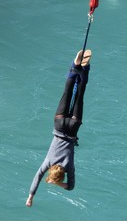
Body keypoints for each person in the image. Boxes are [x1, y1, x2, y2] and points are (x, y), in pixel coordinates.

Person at [26, 49, 92, 207]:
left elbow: (71, 187)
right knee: (67, 93)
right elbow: (38, 177)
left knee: (79, 95)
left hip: (73, 127)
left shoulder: (68, 166)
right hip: (59, 124)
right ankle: (74, 66)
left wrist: (58, 183)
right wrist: (30, 196)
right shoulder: (48, 162)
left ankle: (85, 68)